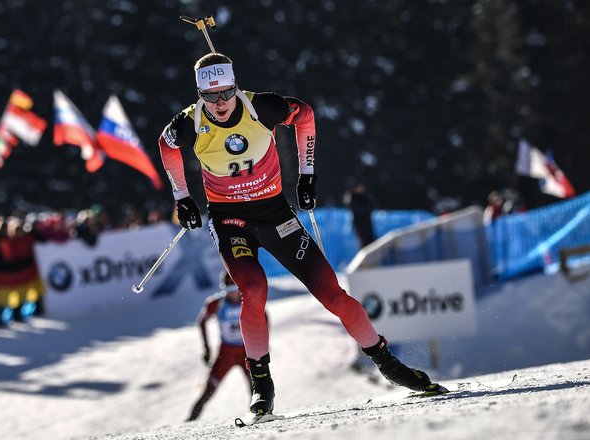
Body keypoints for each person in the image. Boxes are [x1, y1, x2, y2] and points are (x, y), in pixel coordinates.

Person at [158, 52, 443, 417]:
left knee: (334, 297)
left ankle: (388, 364)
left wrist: (307, 173)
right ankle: (262, 382)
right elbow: (166, 146)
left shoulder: (262, 106)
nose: (220, 104)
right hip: (230, 220)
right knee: (254, 290)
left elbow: (305, 116)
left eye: (226, 93)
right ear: (199, 94)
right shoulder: (188, 124)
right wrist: (182, 197)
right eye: (210, 96)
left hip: (274, 212)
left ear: (235, 85)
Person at [187, 271, 252, 421]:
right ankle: (189, 422)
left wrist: (262, 343)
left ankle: (257, 415)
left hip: (246, 352)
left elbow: (263, 316)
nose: (233, 294)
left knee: (256, 387)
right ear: (223, 289)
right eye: (228, 290)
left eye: (236, 289)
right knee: (208, 391)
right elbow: (202, 321)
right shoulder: (216, 303)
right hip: (226, 354)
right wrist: (206, 348)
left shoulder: (246, 299)